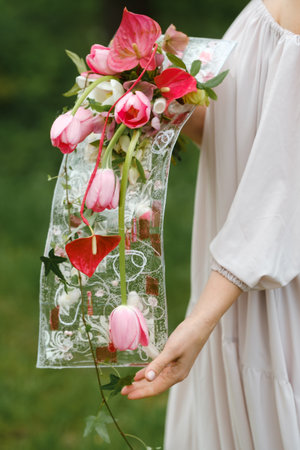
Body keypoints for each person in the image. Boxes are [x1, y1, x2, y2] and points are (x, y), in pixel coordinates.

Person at [121, 0, 300, 448]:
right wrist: (170, 90)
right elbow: (242, 143)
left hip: (266, 295)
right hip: (229, 291)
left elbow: (280, 189)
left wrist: (200, 323)